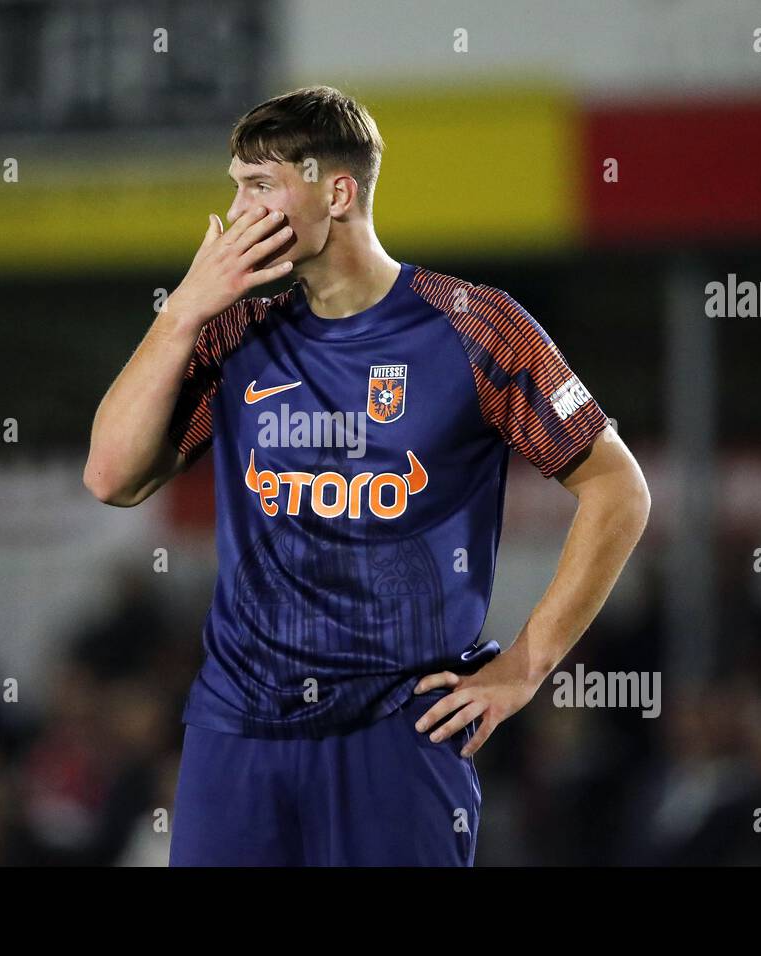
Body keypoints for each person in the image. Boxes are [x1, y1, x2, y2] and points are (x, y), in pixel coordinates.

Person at [84, 86, 650, 866]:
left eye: (258, 186)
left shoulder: (472, 327)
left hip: (397, 734)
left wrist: (525, 666)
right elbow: (112, 476)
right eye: (235, 185)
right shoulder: (239, 331)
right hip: (236, 730)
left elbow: (618, 489)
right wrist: (182, 311)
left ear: (337, 192)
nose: (235, 211)